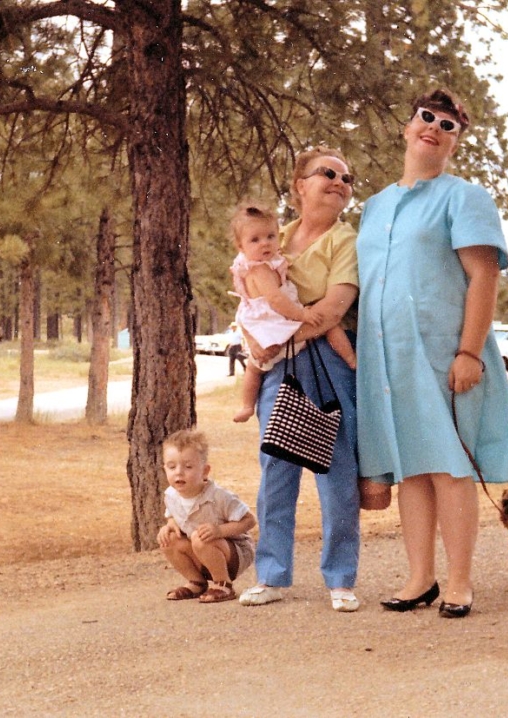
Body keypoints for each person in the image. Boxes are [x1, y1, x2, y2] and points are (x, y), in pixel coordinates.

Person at [355, 89, 508, 619]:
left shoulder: (464, 198)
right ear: (407, 128)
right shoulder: (375, 206)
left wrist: (469, 351)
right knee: (411, 468)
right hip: (388, 360)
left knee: (450, 467)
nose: (434, 127)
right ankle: (419, 577)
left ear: (454, 141)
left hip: (444, 354)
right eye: (426, 117)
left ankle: (459, 581)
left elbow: (483, 275)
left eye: (447, 125)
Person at [237, 147, 362, 612]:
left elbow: (334, 306)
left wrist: (284, 336)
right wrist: (254, 342)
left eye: (347, 179)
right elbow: (249, 296)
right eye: (327, 173)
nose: (338, 182)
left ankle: (341, 578)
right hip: (278, 367)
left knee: (336, 472)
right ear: (299, 185)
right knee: (276, 469)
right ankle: (271, 575)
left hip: (326, 363)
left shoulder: (344, 240)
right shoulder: (273, 236)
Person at [228, 200, 356, 422]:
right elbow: (277, 300)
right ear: (241, 247)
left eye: (270, 236)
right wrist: (302, 315)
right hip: (275, 323)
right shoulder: (258, 270)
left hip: (279, 325)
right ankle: (246, 405)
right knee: (254, 368)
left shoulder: (273, 259)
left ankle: (246, 406)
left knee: (255, 368)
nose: (265, 244)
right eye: (255, 240)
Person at [157, 428, 257, 603]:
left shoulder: (219, 496)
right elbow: (172, 515)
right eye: (172, 467)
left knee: (199, 537)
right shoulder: (171, 495)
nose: (179, 472)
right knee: (169, 539)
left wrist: (219, 530)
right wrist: (170, 524)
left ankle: (223, 584)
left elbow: (249, 520)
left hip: (234, 553)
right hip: (201, 551)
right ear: (164, 468)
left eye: (188, 467)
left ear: (205, 470)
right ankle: (196, 582)